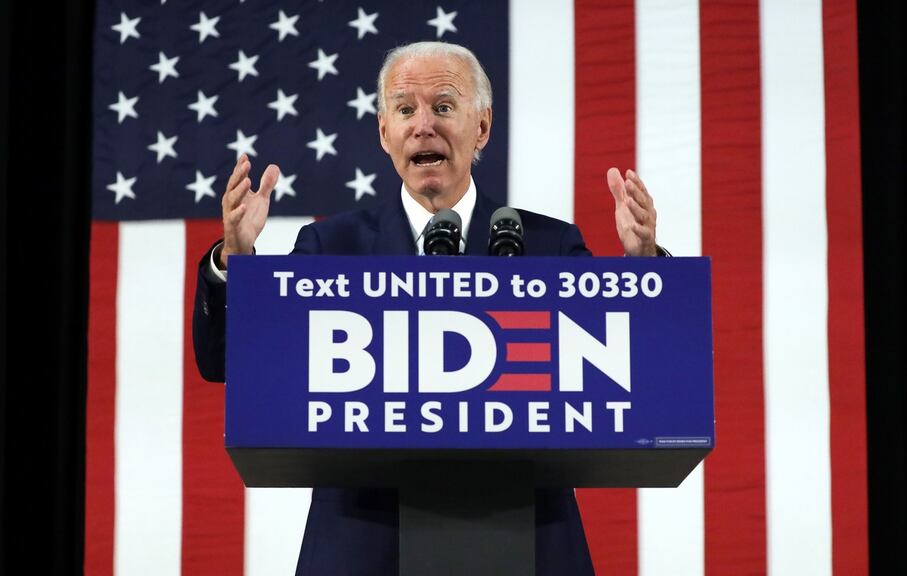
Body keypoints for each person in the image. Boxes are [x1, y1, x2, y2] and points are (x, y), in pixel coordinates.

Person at [193, 41, 662, 576]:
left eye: (443, 106)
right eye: (405, 109)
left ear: (481, 127)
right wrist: (237, 260)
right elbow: (224, 361)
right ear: (383, 130)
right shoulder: (332, 248)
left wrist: (644, 267)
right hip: (364, 540)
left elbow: (637, 373)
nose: (423, 126)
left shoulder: (547, 245)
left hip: (524, 533)